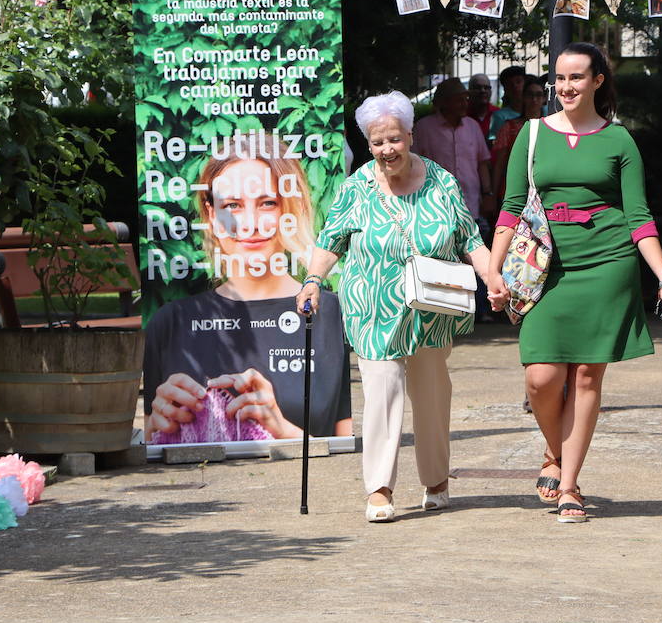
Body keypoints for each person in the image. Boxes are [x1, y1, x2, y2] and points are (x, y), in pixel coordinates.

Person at [486, 43, 662, 523]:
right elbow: (510, 208)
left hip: (608, 263)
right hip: (547, 265)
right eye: (559, 77)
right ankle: (555, 448)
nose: (565, 87)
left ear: (598, 80)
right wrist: (493, 271)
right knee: (541, 377)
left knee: (588, 376)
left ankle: (569, 483)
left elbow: (638, 216)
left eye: (577, 77)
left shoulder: (619, 140)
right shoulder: (531, 135)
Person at [297, 91, 498, 522]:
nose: (387, 149)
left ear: (410, 135)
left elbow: (469, 238)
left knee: (431, 392)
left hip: (432, 305)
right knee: (382, 391)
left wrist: (491, 278)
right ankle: (379, 489)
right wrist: (313, 281)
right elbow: (330, 241)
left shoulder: (441, 181)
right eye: (377, 142)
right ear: (368, 145)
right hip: (372, 304)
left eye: (394, 139)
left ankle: (436, 480)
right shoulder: (356, 188)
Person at [144, 138, 352, 444]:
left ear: (290, 209)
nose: (250, 224)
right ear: (211, 215)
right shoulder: (169, 322)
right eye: (232, 205)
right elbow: (151, 450)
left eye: (267, 203)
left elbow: (345, 458)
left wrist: (282, 430)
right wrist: (154, 432)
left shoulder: (329, 312)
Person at [412, 78, 494, 223]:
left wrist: (487, 193)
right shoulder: (424, 128)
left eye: (465, 99)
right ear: (444, 103)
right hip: (436, 205)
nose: (464, 104)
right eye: (459, 100)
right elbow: (413, 164)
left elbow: (482, 163)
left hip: (470, 203)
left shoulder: (472, 126)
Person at [490, 75, 547, 201]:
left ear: (544, 99)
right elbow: (499, 164)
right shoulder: (509, 127)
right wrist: (492, 196)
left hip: (544, 190)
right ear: (524, 98)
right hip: (515, 188)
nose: (534, 99)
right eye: (530, 95)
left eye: (538, 95)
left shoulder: (550, 127)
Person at [488, 66, 527, 141]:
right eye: (510, 84)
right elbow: (494, 141)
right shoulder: (499, 116)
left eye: (518, 82)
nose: (515, 86)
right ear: (505, 89)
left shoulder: (539, 110)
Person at [466, 74, 497, 141]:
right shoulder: (461, 115)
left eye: (486, 88)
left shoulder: (498, 114)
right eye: (478, 87)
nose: (483, 91)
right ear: (469, 91)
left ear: (491, 92)